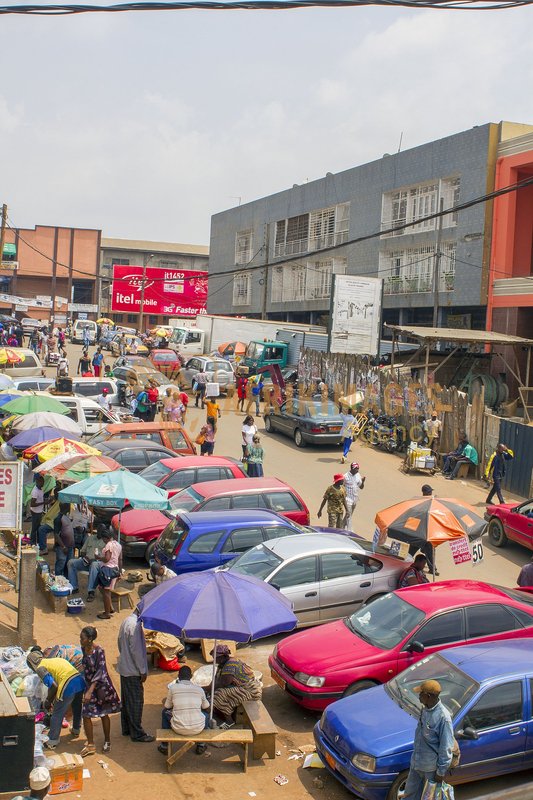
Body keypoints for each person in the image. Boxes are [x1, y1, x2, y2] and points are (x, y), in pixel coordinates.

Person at [403, 679, 454, 800]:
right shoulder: (425, 709)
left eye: (421, 694)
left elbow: (446, 747)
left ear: (429, 696)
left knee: (429, 797)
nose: (419, 696)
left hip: (430, 770)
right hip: (416, 763)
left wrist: (440, 772)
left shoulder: (443, 718)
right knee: (409, 795)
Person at [26, 647, 86, 749]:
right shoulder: (54, 660)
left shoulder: (40, 668)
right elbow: (53, 684)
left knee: (57, 713)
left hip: (68, 684)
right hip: (79, 680)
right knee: (77, 706)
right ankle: (76, 729)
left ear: (32, 664)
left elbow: (54, 685)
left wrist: (48, 701)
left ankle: (52, 740)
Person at [79, 626, 121, 756]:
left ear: (90, 639)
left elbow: (100, 671)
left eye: (83, 638)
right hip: (89, 685)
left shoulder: (99, 651)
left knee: (103, 713)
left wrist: (90, 691)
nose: (80, 640)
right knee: (86, 714)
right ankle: (91, 744)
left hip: (101, 687)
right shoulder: (84, 648)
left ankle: (107, 740)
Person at [116, 610, 154, 743]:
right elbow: (137, 651)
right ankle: (137, 733)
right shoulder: (135, 625)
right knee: (136, 702)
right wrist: (142, 670)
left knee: (127, 700)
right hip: (133, 671)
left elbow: (119, 642)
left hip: (125, 667)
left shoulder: (126, 621)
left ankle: (127, 728)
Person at [158, 665, 210, 754]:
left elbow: (167, 707)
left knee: (164, 712)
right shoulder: (199, 689)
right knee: (206, 714)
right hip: (198, 728)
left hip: (178, 728)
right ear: (191, 676)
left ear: (178, 676)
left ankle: (164, 745)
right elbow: (207, 708)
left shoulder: (173, 688)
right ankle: (201, 744)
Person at [210, 645, 262, 725]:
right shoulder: (222, 665)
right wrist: (209, 687)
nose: (215, 660)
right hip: (241, 688)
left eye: (216, 658)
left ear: (224, 656)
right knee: (216, 692)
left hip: (251, 691)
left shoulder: (231, 664)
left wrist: (207, 689)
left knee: (219, 694)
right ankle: (222, 712)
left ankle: (229, 721)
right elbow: (216, 680)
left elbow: (224, 682)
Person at [87, 530, 122, 620]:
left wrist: (98, 557)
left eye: (103, 539)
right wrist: (120, 571)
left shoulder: (109, 545)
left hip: (108, 570)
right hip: (114, 569)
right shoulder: (118, 545)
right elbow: (120, 559)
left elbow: (106, 559)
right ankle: (110, 608)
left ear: (105, 538)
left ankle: (106, 613)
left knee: (106, 592)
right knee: (101, 588)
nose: (103, 540)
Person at [67, 524, 107, 595]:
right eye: (99, 530)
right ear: (97, 530)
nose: (101, 532)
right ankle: (74, 587)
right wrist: (85, 557)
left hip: (98, 564)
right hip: (86, 562)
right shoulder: (90, 538)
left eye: (102, 531)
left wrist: (95, 560)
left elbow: (106, 558)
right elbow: (82, 551)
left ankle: (91, 591)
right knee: (71, 562)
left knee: (94, 564)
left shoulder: (106, 541)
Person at [54, 503, 74, 578]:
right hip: (62, 547)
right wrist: (63, 547)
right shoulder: (58, 519)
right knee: (60, 565)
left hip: (70, 546)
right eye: (68, 506)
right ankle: (58, 581)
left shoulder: (66, 517)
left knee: (68, 566)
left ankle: (66, 582)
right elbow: (56, 535)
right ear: (65, 507)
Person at [343, 462, 365, 531]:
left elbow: (361, 487)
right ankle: (348, 530)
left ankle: (342, 527)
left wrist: (363, 481)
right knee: (348, 515)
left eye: (358, 468)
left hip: (355, 499)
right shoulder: (345, 476)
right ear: (352, 468)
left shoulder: (358, 475)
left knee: (349, 515)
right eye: (356, 469)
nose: (357, 470)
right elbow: (341, 487)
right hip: (348, 499)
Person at [29, 474, 45, 548]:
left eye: (43, 482)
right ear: (37, 481)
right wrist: (43, 503)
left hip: (39, 511)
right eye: (42, 482)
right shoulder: (35, 491)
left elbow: (41, 499)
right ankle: (32, 542)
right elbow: (32, 504)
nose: (43, 483)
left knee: (38, 528)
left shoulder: (40, 489)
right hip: (35, 512)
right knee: (35, 528)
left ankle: (37, 542)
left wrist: (46, 501)